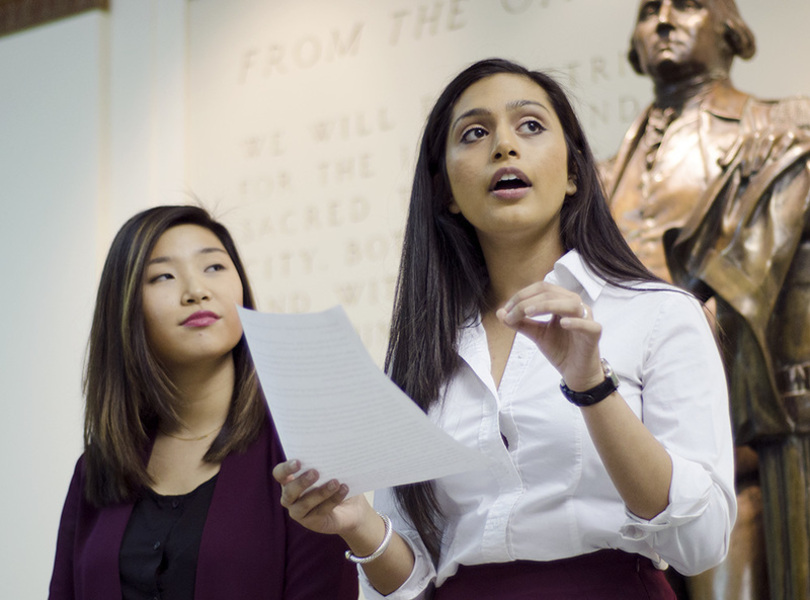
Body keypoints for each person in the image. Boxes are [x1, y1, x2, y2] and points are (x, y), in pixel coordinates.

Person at [272, 58, 736, 599]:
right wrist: (356, 524)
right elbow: (410, 581)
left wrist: (592, 387)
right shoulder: (424, 352)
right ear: (446, 190)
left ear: (573, 174)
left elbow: (701, 544)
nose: (504, 146)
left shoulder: (659, 314)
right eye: (474, 133)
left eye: (531, 126)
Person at [601, 2, 810, 598]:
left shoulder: (776, 129)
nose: (663, 21)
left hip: (733, 434)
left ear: (732, 30)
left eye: (687, 5)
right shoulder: (599, 168)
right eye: (648, 11)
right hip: (621, 435)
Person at [48, 205, 358, 599]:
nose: (196, 291)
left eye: (213, 268)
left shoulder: (301, 454)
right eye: (163, 275)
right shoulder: (97, 469)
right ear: (125, 309)